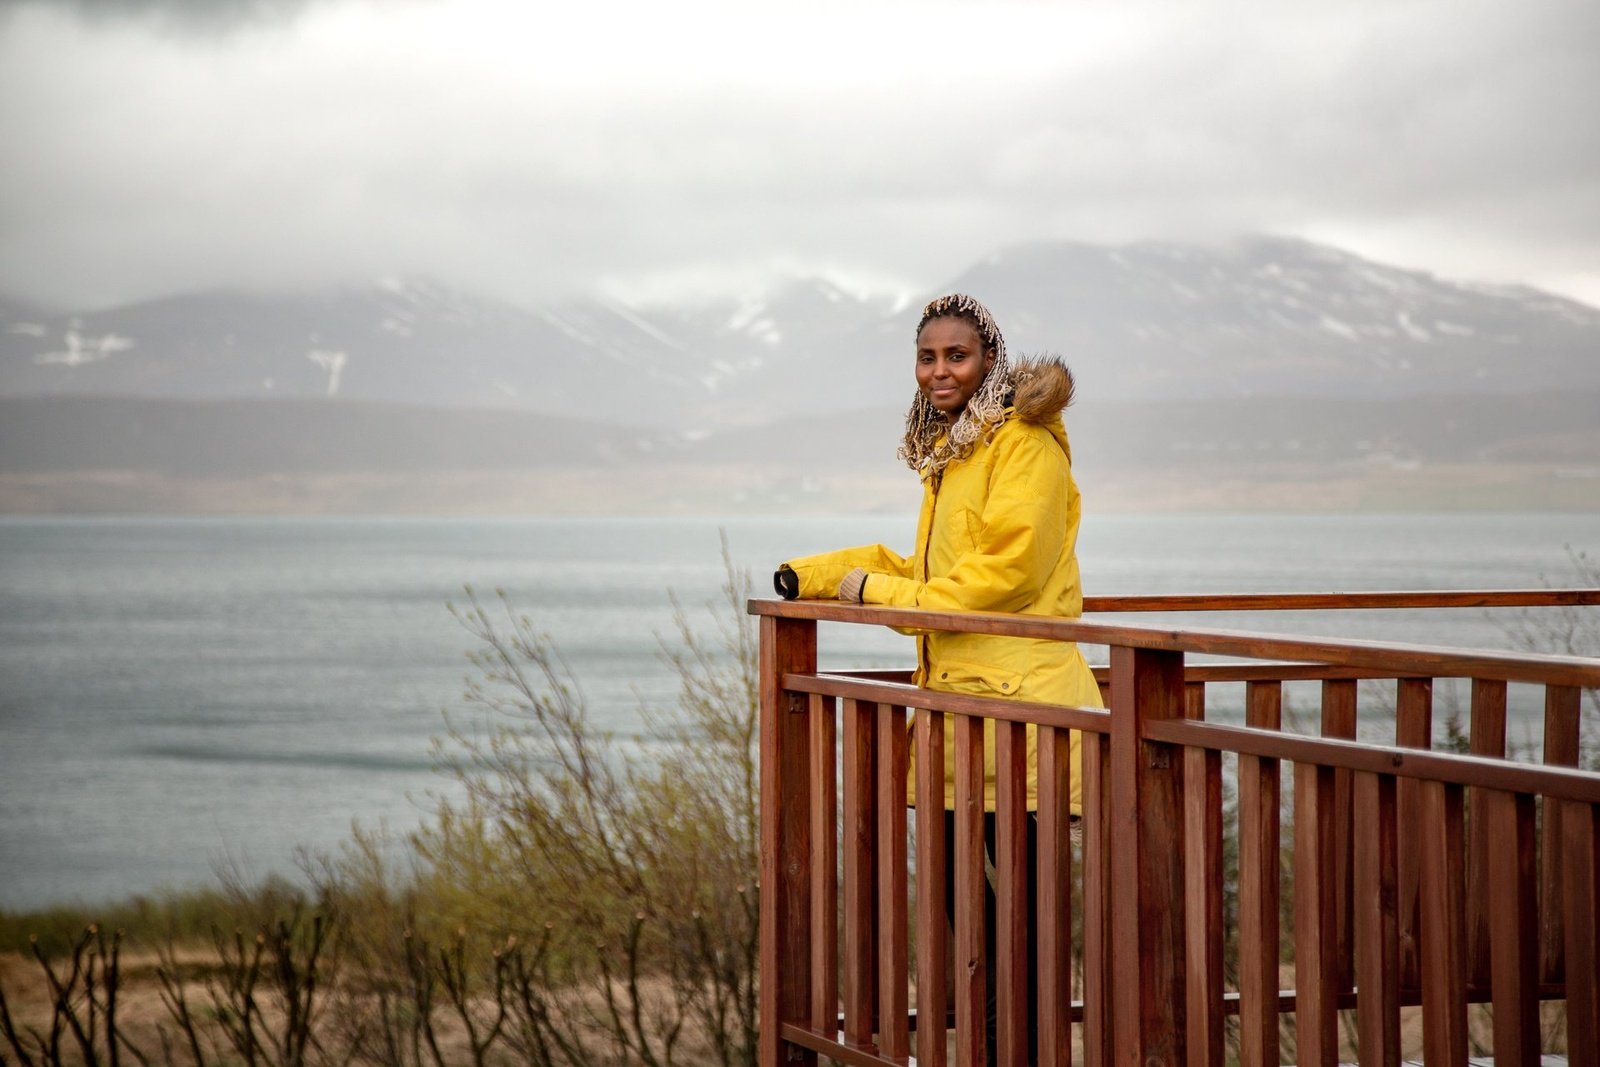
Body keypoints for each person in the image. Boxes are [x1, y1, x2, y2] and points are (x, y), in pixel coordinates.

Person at [773, 292, 1101, 1064]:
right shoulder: (955, 451)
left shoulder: (1024, 442)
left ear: (989, 359)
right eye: (927, 357)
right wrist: (812, 576)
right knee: (974, 919)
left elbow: (1006, 577)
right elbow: (928, 571)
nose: (939, 370)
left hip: (1026, 720)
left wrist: (879, 594)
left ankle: (1013, 1050)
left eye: (957, 355)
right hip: (965, 717)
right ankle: (1000, 1046)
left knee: (1020, 922)